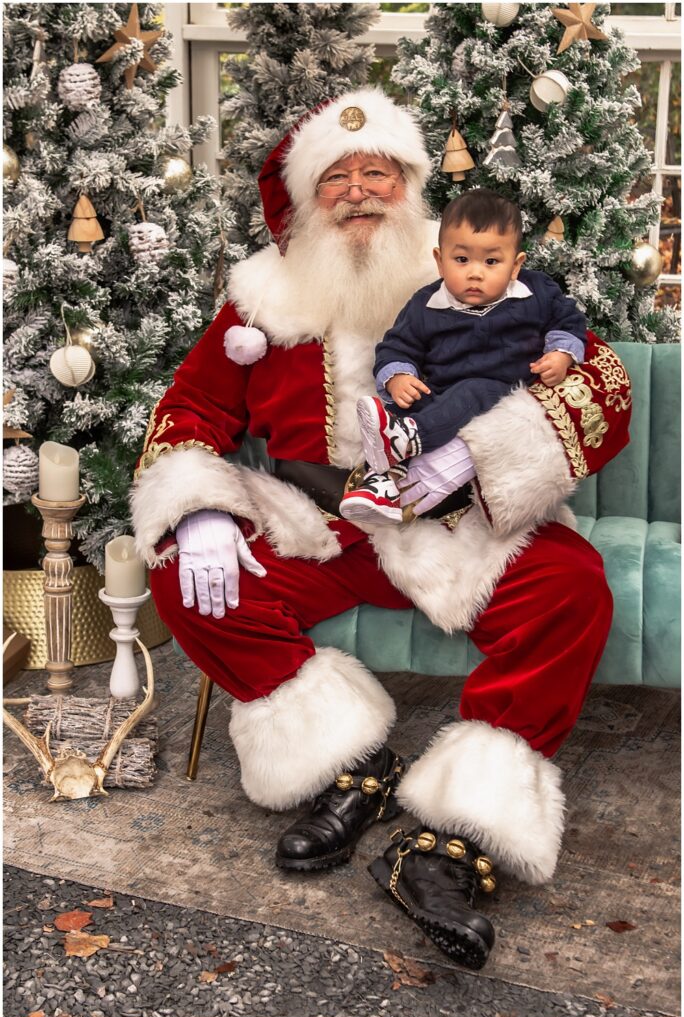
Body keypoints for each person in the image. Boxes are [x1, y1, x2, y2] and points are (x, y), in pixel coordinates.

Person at [131, 88, 631, 971]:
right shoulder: (259, 301)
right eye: (336, 178)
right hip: (314, 528)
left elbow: (600, 387)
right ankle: (347, 769)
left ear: (409, 186)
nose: (359, 191)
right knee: (182, 570)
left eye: (379, 172)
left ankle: (450, 836)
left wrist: (481, 453)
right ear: (304, 197)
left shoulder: (475, 280)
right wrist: (199, 502)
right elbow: (193, 406)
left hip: (449, 522)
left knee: (570, 585)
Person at [340, 188, 587, 525]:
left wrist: (561, 353)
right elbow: (396, 346)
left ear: (516, 266)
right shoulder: (426, 304)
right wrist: (399, 376)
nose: (475, 273)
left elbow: (569, 320)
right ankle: (380, 484)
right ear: (440, 260)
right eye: (461, 260)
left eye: (491, 261)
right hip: (443, 396)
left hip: (504, 395)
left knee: (471, 390)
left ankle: (407, 438)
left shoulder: (537, 293)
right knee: (404, 404)